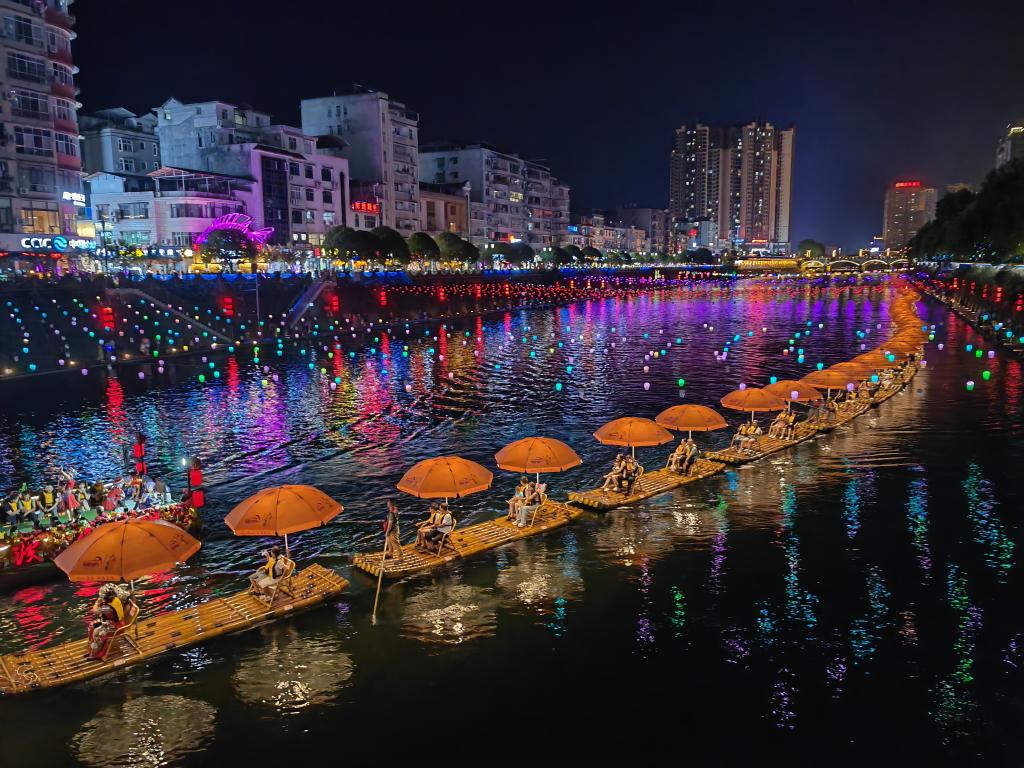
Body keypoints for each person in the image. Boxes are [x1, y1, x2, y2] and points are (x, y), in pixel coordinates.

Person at [86, 583, 130, 660]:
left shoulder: (107, 607)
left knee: (98, 632)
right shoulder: (115, 599)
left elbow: (95, 611)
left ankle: (97, 654)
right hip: (110, 621)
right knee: (91, 625)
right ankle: (91, 647)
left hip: (116, 626)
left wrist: (97, 603)